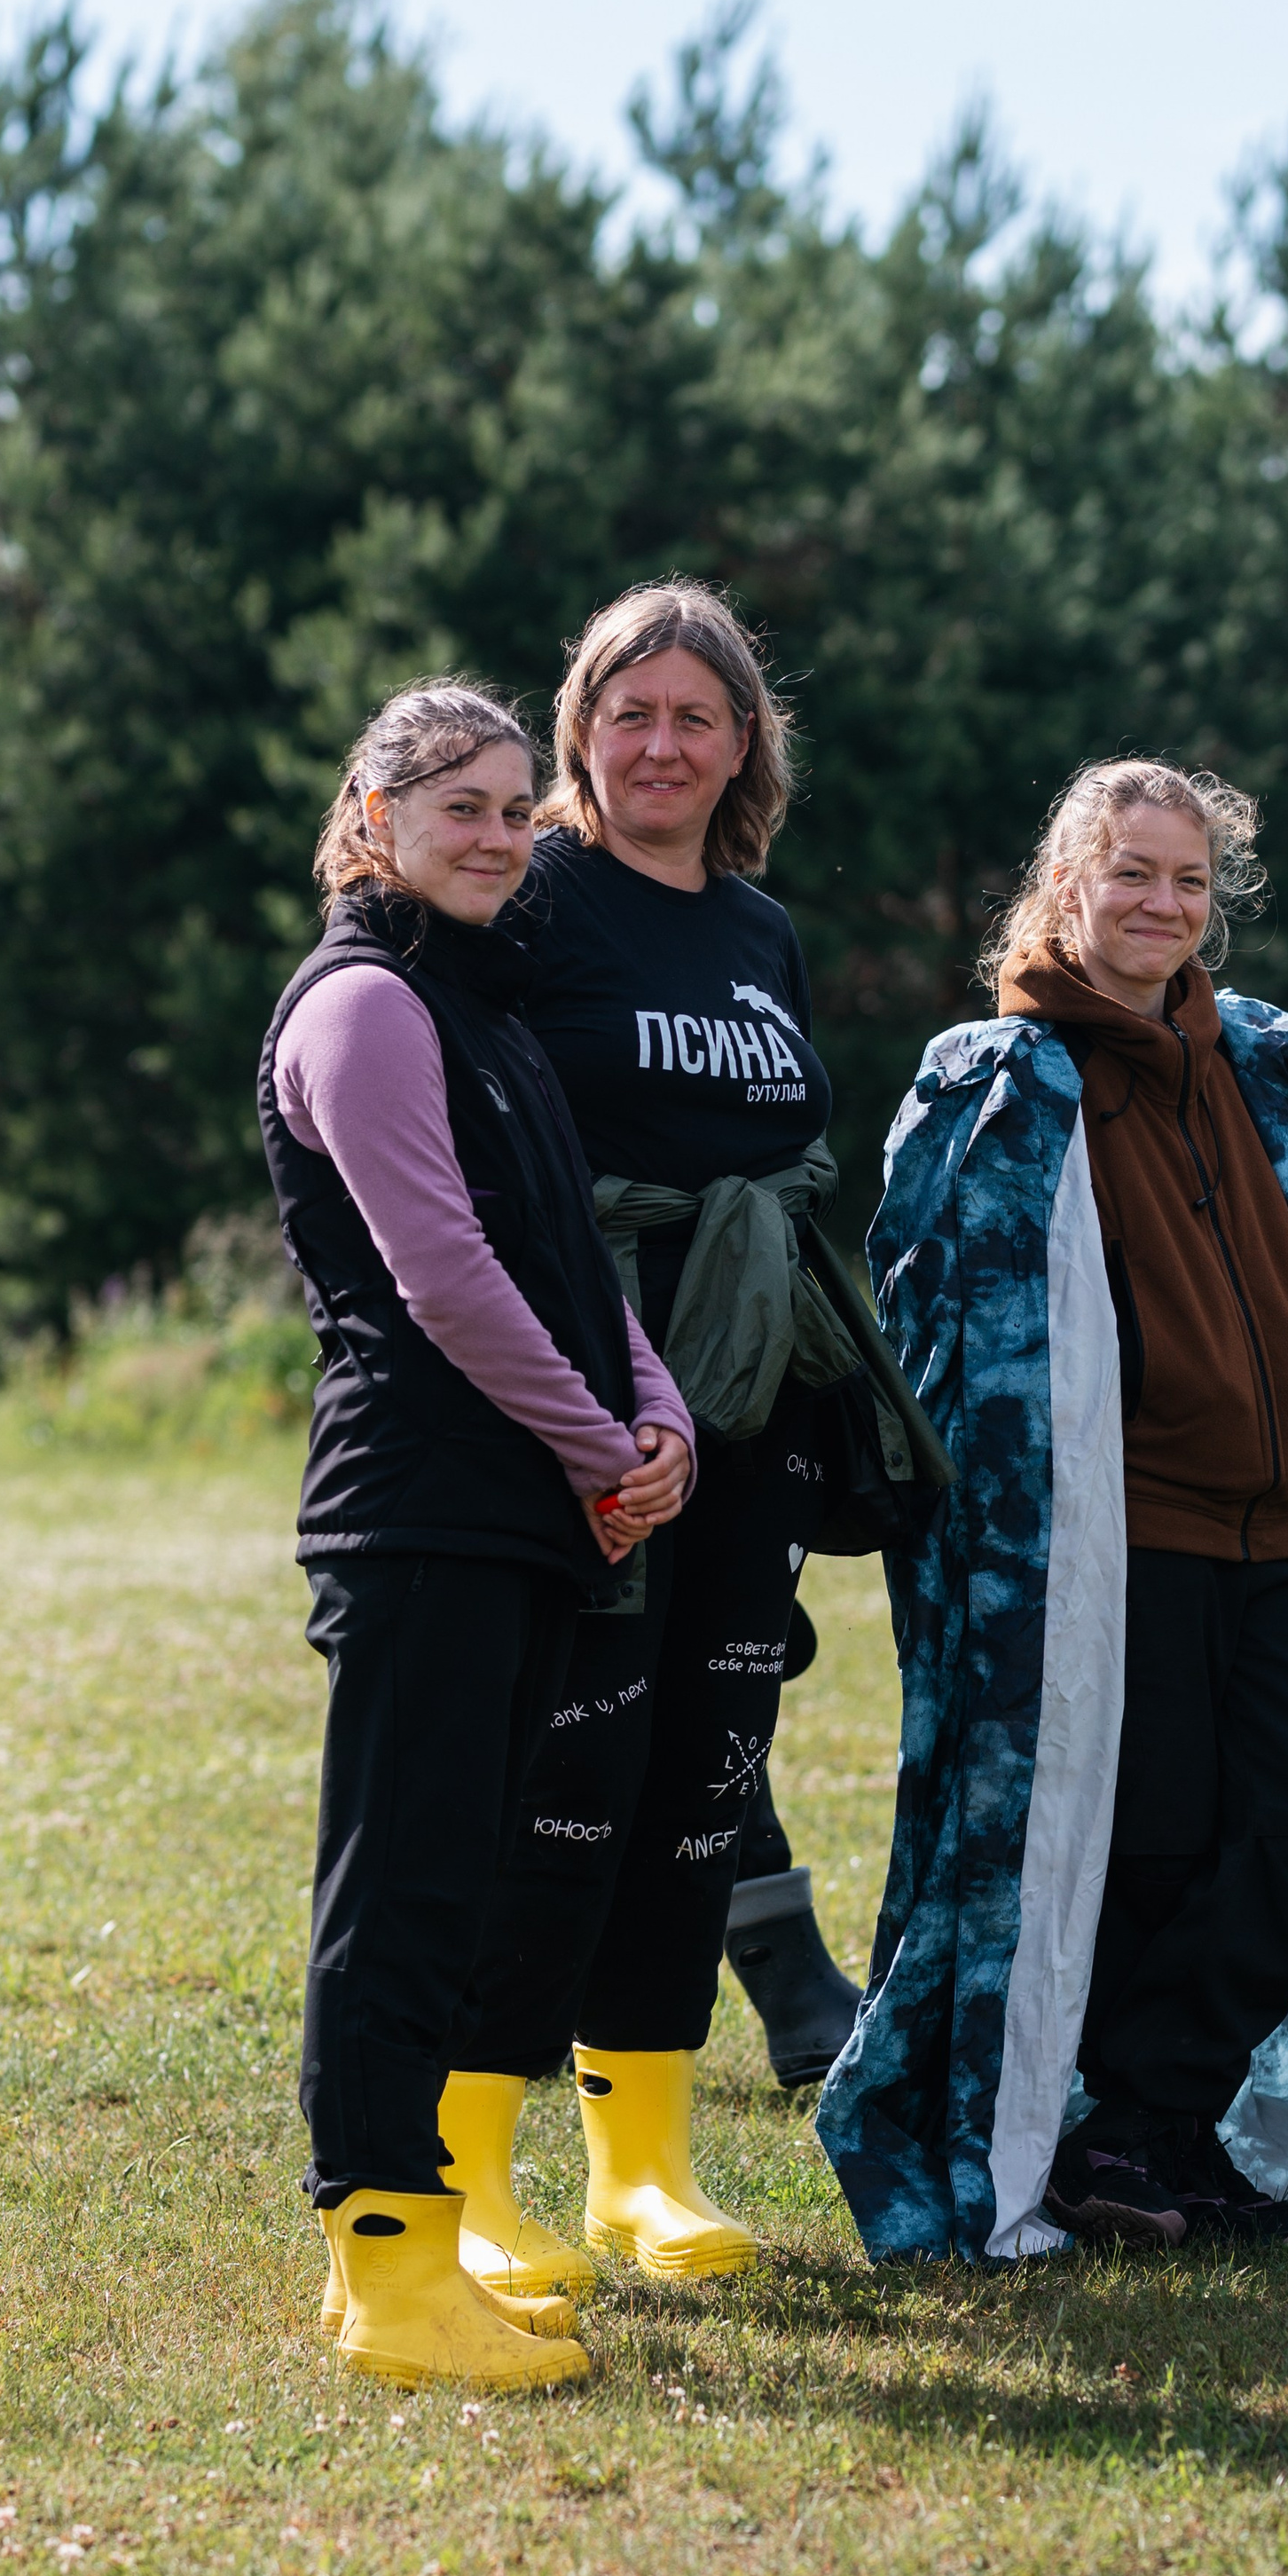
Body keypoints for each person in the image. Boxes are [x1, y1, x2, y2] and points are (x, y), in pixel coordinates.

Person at [817, 759, 1288, 2260]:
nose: (1161, 903)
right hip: (1118, 1543)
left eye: (1188, 880)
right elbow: (937, 1340)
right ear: (1068, 886)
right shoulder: (997, 1081)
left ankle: (1147, 2117)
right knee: (1150, 1844)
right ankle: (1139, 2144)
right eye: (1131, 874)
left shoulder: (1269, 1069)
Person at [259, 678, 696, 2386]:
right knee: (402, 1884)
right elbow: (445, 1274)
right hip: (427, 1506)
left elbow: (574, 1260)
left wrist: (652, 1409)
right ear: (374, 820)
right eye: (465, 808)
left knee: (464, 1886)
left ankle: (424, 2239)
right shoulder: (364, 1006)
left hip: (535, 1504)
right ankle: (383, 2277)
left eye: (522, 810)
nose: (503, 838)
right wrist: (604, 1441)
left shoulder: (487, 1007)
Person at [470, 580, 872, 2281]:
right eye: (627, 711)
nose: (658, 741)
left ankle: (642, 2164)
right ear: (580, 732)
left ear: (741, 746)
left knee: (710, 1762)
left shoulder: (760, 933)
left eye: (693, 715)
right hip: (590, 1395)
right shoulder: (530, 897)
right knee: (569, 1767)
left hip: (754, 1395)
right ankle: (470, 2167)